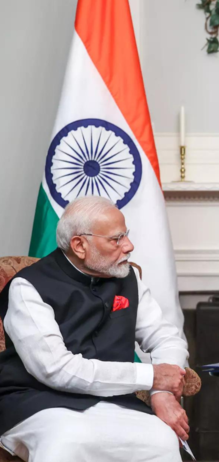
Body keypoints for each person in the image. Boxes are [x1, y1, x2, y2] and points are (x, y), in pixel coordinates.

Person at [0, 196, 189, 462]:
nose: (129, 246)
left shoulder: (126, 277)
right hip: (39, 401)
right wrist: (150, 376)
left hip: (115, 401)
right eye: (116, 239)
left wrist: (162, 393)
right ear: (79, 245)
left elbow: (166, 337)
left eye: (127, 235)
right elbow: (57, 370)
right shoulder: (27, 287)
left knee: (162, 439)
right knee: (69, 437)